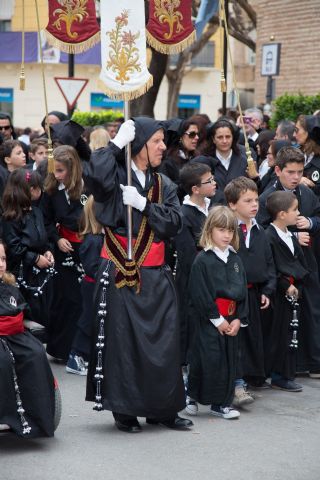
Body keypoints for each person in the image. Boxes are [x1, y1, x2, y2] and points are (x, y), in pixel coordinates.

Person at [85, 117, 192, 433]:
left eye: (163, 141)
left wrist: (144, 204)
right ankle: (125, 410)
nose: (163, 146)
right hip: (121, 271)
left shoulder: (164, 184)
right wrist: (115, 145)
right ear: (139, 144)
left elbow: (174, 222)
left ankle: (164, 410)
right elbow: (94, 179)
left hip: (156, 275)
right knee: (124, 343)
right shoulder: (116, 175)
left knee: (165, 343)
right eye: (157, 140)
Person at [257, 146, 320, 378]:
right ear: (277, 170)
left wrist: (311, 223)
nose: (296, 177)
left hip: (306, 260)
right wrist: (292, 236)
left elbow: (318, 214)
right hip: (280, 266)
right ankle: (283, 367)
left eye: (299, 171)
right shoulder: (267, 197)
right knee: (283, 317)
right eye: (290, 172)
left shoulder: (307, 193)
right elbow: (261, 230)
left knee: (312, 309)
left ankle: (312, 361)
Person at [186, 206, 248, 420]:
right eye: (221, 230)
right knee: (208, 360)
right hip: (210, 319)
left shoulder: (236, 260)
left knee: (228, 360)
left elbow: (243, 293)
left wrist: (239, 318)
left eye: (230, 231)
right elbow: (199, 293)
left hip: (232, 319)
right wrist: (217, 319)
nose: (226, 235)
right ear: (210, 230)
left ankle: (221, 403)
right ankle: (194, 396)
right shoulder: (203, 260)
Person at [225, 177, 276, 400]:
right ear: (232, 204)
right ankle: (235, 385)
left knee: (251, 340)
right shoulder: (225, 232)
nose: (255, 205)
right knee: (234, 341)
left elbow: (269, 264)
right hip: (230, 297)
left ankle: (246, 379)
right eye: (248, 200)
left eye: (256, 200)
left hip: (254, 294)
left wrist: (267, 290)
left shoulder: (260, 231)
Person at [0, 240, 55, 437]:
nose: (0, 264)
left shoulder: (10, 285)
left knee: (36, 353)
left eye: (3, 259)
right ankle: (5, 417)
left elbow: (25, 312)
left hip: (15, 336)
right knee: (3, 361)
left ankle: (37, 416)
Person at [40, 145, 84, 361]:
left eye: (61, 171)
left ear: (72, 168)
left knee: (84, 299)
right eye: (54, 171)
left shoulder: (88, 188)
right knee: (65, 298)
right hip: (63, 247)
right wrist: (57, 239)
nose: (56, 176)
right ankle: (61, 349)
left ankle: (83, 349)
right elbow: (46, 221)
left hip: (87, 248)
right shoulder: (50, 191)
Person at [174, 163, 217, 368]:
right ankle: (187, 366)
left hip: (215, 276)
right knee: (192, 322)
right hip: (194, 278)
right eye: (209, 181)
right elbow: (187, 255)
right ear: (195, 189)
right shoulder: (185, 214)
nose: (214, 182)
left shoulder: (212, 207)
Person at [265, 191, 309, 391]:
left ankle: (288, 372)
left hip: (294, 292)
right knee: (280, 335)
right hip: (280, 293)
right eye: (295, 210)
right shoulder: (269, 236)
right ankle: (277, 374)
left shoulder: (290, 236)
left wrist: (298, 285)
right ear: (282, 214)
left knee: (292, 332)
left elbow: (299, 263)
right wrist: (285, 285)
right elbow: (271, 266)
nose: (298, 213)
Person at [2, 169, 55, 329]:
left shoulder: (36, 211)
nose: (39, 191)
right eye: (36, 188)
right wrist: (35, 258)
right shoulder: (11, 217)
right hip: (23, 272)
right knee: (28, 311)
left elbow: (42, 237)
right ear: (27, 190)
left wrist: (47, 250)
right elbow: (13, 247)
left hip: (40, 272)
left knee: (44, 310)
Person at [66, 195, 104, 375]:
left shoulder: (97, 238)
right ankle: (75, 356)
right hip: (92, 286)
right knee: (87, 320)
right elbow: (92, 268)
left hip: (96, 285)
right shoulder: (94, 240)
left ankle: (84, 355)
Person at [198, 119, 250, 191]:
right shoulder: (205, 161)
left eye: (228, 137)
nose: (224, 141)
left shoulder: (244, 161)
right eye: (220, 137)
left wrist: (255, 178)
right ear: (213, 139)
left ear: (233, 138)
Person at [294, 114, 320, 196]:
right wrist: (297, 180)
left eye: (296, 130)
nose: (294, 134)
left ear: (308, 132)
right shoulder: (295, 153)